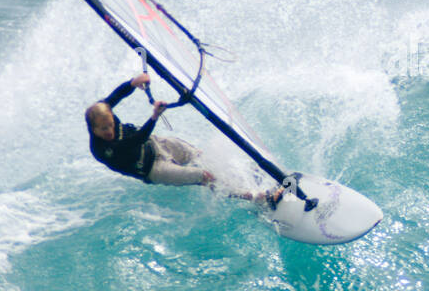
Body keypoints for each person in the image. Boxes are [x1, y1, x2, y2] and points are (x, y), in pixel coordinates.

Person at [85, 72, 282, 203]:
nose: (109, 131)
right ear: (93, 129)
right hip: (154, 170)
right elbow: (134, 141)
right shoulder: (102, 150)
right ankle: (258, 198)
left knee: (202, 156)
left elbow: (115, 96)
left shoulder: (103, 111)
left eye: (110, 125)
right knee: (205, 176)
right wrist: (154, 117)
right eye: (103, 129)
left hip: (157, 145)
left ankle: (255, 173)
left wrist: (133, 83)